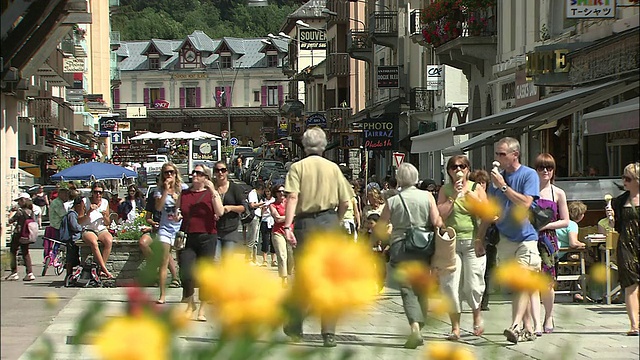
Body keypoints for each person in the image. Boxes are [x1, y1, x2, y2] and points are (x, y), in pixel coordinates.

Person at [282, 127, 353, 348]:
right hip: (329, 222)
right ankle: (329, 333)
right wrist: (337, 220)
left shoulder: (297, 168)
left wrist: (287, 225)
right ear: (323, 146)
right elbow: (345, 202)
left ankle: (295, 324)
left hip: (306, 224)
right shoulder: (334, 169)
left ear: (304, 145)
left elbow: (292, 197)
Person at [378, 163, 443, 349]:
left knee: (407, 289)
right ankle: (420, 325)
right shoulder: (427, 196)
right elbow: (437, 220)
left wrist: (381, 241)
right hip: (423, 245)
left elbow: (382, 225)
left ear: (399, 179)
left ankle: (415, 327)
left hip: (400, 246)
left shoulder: (393, 201)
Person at [483, 137, 541, 344]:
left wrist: (504, 186)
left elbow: (526, 203)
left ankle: (515, 325)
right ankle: (527, 328)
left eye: (501, 154)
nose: (496, 158)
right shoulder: (497, 178)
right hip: (505, 238)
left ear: (514, 155)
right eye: (496, 154)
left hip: (526, 237)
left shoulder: (528, 175)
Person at [436, 155, 487, 341]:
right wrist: (453, 198)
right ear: (449, 171)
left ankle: (476, 317)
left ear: (468, 169)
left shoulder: (476, 187)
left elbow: (488, 213)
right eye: (454, 167)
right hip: (451, 242)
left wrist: (473, 198)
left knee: (473, 284)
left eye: (463, 167)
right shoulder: (445, 189)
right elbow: (439, 215)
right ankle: (455, 328)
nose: (459, 170)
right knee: (450, 285)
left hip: (473, 241)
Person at [179, 164, 224, 321]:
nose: (195, 175)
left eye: (199, 173)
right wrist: (177, 216)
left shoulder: (211, 194)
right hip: (189, 236)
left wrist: (212, 190)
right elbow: (179, 211)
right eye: (194, 172)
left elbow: (220, 212)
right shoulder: (184, 194)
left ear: (206, 177)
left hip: (207, 236)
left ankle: (202, 309)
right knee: (186, 271)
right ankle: (190, 303)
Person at [531, 153, 570, 335]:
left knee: (547, 282)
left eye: (549, 168)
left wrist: (546, 226)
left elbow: (565, 220)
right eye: (541, 167)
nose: (545, 171)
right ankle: (535, 321)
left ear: (553, 171)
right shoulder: (529, 191)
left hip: (548, 240)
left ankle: (548, 317)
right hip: (530, 238)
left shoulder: (558, 192)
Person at [609, 162, 639, 336]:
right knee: (630, 285)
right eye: (623, 177)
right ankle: (634, 325)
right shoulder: (620, 201)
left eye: (628, 178)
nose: (624, 181)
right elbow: (617, 227)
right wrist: (611, 218)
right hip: (626, 245)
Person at [154, 163, 187, 305]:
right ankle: (162, 295)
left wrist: (177, 200)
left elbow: (188, 208)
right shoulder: (159, 190)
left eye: (171, 172)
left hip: (180, 229)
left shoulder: (183, 188)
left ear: (176, 173)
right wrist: (166, 191)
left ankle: (186, 294)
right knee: (163, 261)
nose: (169, 175)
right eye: (166, 173)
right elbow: (158, 207)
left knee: (184, 262)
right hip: (165, 228)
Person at [139, 181, 180, 289]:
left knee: (165, 247)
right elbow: (147, 217)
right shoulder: (153, 198)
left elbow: (178, 216)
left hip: (168, 230)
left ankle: (175, 278)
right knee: (143, 243)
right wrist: (153, 224)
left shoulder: (173, 198)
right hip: (154, 228)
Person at [469, 169, 499, 311]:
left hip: (490, 237)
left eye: (483, 182)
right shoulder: (470, 199)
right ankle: (475, 298)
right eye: (478, 182)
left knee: (488, 270)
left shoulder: (492, 199)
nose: (481, 185)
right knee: (476, 270)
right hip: (475, 237)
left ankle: (484, 301)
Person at [78, 182, 113, 279]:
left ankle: (101, 269)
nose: (98, 195)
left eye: (100, 192)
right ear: (92, 193)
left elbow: (107, 223)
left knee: (109, 241)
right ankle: (104, 269)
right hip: (89, 229)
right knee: (94, 243)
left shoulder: (105, 202)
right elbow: (79, 220)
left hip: (101, 229)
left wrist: (105, 216)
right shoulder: (85, 201)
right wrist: (89, 211)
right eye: (96, 192)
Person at [212, 160, 246, 261]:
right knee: (215, 260)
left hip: (230, 230)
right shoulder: (211, 188)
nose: (220, 173)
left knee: (227, 261)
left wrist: (230, 208)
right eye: (217, 170)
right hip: (214, 230)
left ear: (227, 172)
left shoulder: (235, 188)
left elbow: (243, 208)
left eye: (223, 170)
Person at [5, 193, 37, 281]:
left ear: (23, 200)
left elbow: (10, 220)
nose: (18, 202)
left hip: (18, 234)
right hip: (27, 234)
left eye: (19, 200)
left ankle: (14, 272)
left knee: (13, 252)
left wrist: (11, 212)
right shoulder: (31, 211)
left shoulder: (20, 212)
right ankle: (29, 273)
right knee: (26, 253)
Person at [269, 184, 294, 286]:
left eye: (284, 191)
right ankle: (284, 278)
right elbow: (277, 219)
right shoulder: (272, 205)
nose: (282, 193)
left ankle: (289, 274)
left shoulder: (290, 203)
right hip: (278, 232)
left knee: (291, 256)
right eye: (279, 191)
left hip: (291, 232)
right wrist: (290, 216)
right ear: (275, 193)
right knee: (282, 255)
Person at [44, 188, 70, 261]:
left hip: (56, 225)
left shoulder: (59, 202)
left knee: (57, 243)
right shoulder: (57, 203)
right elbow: (63, 214)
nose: (67, 197)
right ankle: (53, 258)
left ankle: (53, 257)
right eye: (66, 195)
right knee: (57, 243)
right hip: (57, 226)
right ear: (61, 194)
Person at [246, 181, 266, 265]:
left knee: (256, 240)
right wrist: (261, 204)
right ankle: (248, 259)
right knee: (251, 239)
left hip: (258, 217)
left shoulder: (258, 195)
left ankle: (254, 259)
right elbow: (252, 205)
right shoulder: (253, 193)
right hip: (253, 217)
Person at [259, 187, 277, 267]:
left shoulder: (274, 200)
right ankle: (265, 260)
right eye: (266, 191)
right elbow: (260, 213)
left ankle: (274, 260)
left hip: (273, 221)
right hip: (265, 221)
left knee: (273, 241)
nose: (267, 193)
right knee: (265, 241)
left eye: (269, 191)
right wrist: (263, 209)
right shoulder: (263, 201)